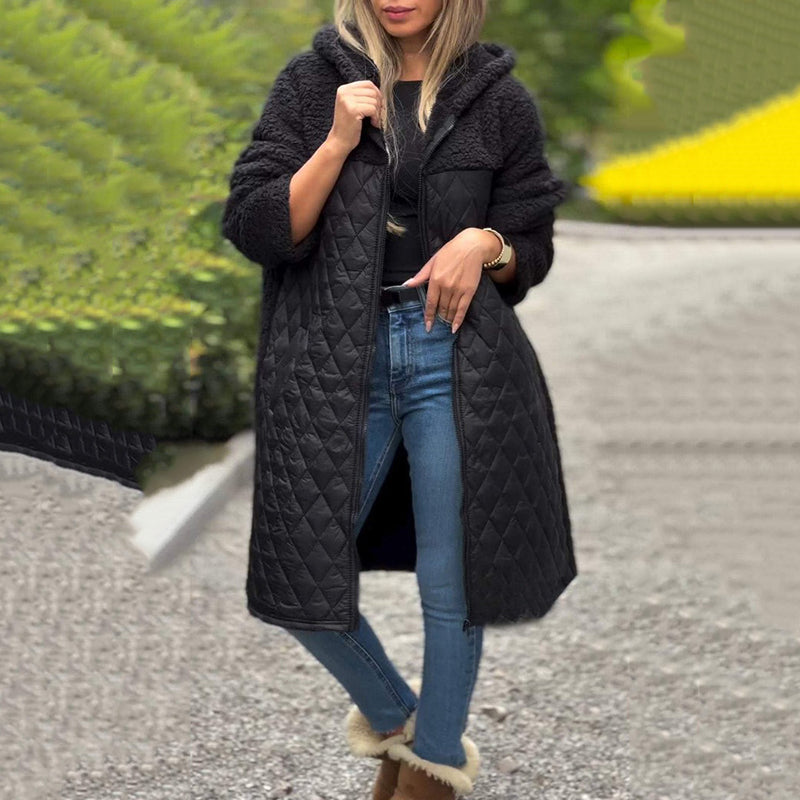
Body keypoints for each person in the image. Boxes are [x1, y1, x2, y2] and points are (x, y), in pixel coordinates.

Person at [221, 3, 577, 799]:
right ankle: (400, 723)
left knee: (453, 581)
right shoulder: (313, 82)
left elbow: (532, 241)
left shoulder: (498, 99)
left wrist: (483, 243)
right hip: (333, 361)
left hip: (456, 353)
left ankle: (433, 769)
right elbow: (257, 228)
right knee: (296, 576)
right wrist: (335, 142)